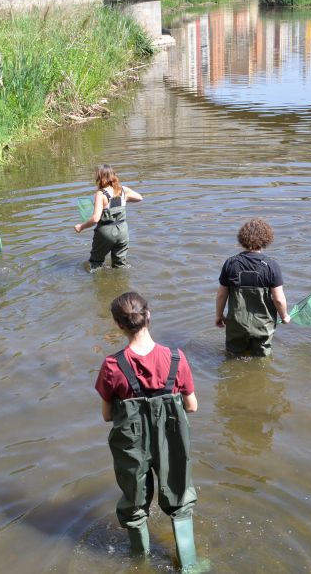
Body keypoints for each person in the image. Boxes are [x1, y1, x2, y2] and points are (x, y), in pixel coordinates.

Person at [95, 292, 199, 569]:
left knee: (135, 501)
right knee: (179, 496)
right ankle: (189, 565)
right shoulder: (176, 358)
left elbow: (107, 416)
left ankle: (139, 563)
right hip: (171, 438)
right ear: (148, 316)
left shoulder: (112, 365)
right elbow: (192, 406)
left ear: (119, 325)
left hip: (132, 442)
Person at [216, 218, 290, 357]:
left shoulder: (230, 264)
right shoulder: (272, 266)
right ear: (266, 240)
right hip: (263, 326)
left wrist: (219, 316)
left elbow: (221, 295)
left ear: (242, 239)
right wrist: (284, 316)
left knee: (232, 358)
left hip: (236, 325)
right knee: (261, 361)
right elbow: (278, 299)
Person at [74, 165, 142, 269]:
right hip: (123, 231)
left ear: (100, 178)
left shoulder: (100, 194)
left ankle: (97, 283)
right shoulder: (123, 190)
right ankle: (120, 283)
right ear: (114, 176)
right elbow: (139, 198)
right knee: (120, 265)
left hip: (106, 232)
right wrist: (124, 199)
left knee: (95, 264)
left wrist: (81, 227)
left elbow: (95, 219)